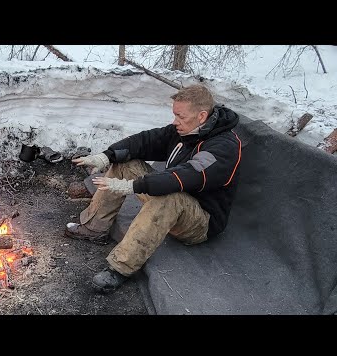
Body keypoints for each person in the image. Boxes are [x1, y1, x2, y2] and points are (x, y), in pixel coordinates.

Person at [65, 84, 242, 294]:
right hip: (174, 196)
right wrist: (107, 155)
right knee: (126, 162)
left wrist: (133, 186)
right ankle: (94, 228)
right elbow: (145, 140)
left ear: (202, 116)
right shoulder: (186, 130)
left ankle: (121, 267)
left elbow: (184, 177)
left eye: (180, 116)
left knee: (169, 196)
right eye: (174, 115)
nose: (175, 122)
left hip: (200, 221)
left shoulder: (224, 147)